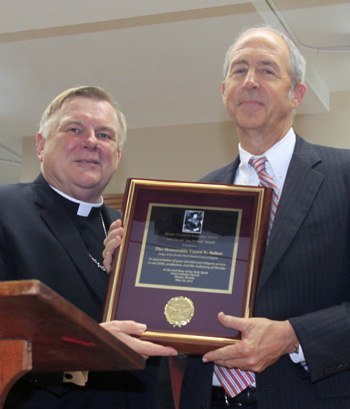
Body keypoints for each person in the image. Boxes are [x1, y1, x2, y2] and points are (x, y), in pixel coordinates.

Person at [104, 25, 350, 409]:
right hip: (209, 397)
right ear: (224, 93)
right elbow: (178, 304)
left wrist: (292, 335)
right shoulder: (199, 195)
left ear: (297, 93)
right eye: (239, 70)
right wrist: (131, 270)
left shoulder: (344, 175)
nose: (250, 81)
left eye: (267, 70)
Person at [0, 85, 176, 409]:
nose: (92, 142)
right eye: (75, 129)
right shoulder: (5, 209)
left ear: (118, 156)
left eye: (105, 135)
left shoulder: (132, 229)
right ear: (40, 145)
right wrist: (92, 343)